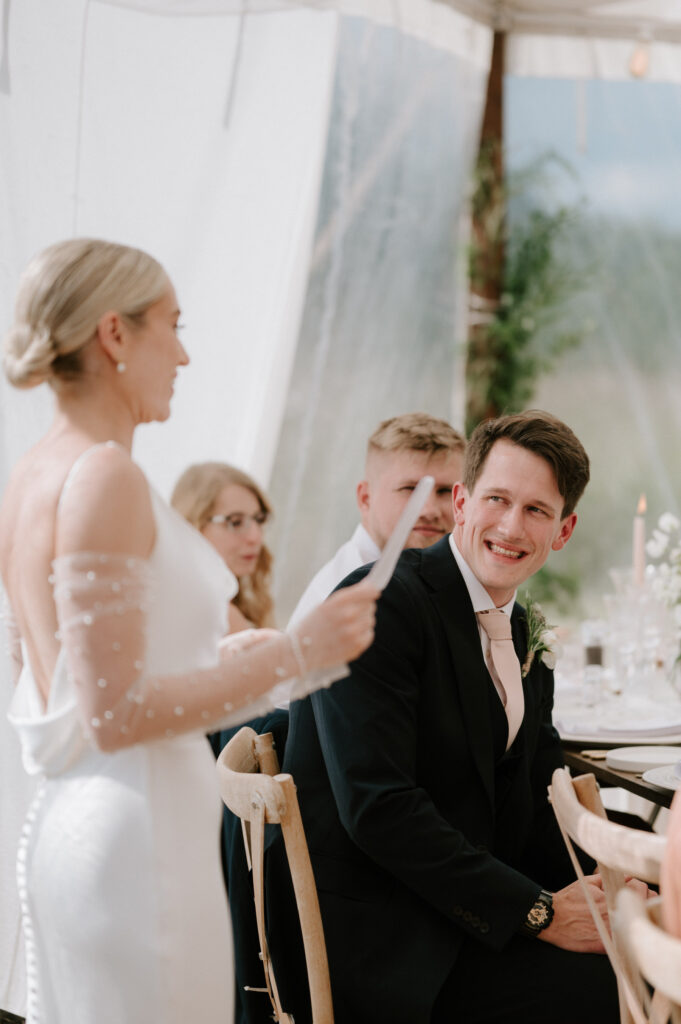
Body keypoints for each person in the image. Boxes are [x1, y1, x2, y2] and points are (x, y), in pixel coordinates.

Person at [0, 237, 378, 1024]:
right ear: (114, 335)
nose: (184, 354)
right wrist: (298, 654)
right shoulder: (105, 474)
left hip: (79, 825)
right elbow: (115, 715)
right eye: (172, 326)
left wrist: (226, 655)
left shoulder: (34, 473)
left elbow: (68, 680)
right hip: (140, 849)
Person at [269, 410, 623, 1024]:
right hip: (387, 941)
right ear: (461, 501)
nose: (511, 526)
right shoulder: (378, 606)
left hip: (456, 911)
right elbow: (379, 810)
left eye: (537, 510)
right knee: (621, 990)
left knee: (644, 954)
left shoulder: (516, 625)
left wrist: (619, 881)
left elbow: (537, 790)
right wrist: (538, 912)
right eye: (497, 499)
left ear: (563, 531)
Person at [288, 411, 466, 629]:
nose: (429, 510)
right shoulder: (347, 598)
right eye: (411, 489)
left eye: (446, 491)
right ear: (365, 498)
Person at [171, 462, 275, 632]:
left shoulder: (239, 603)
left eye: (259, 519)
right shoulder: (217, 613)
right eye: (235, 522)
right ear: (193, 525)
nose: (255, 537)